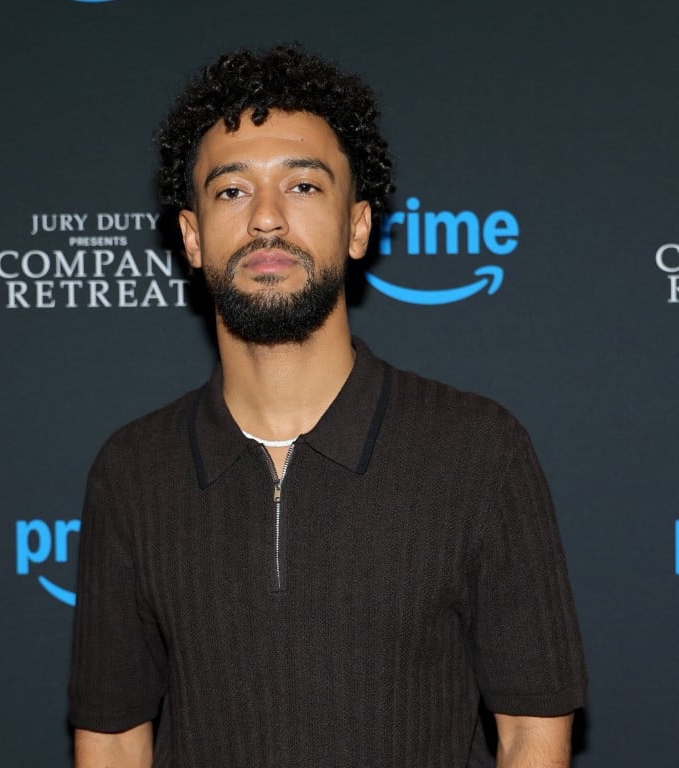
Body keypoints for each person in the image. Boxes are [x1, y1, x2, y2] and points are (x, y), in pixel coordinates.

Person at [68, 44, 586, 767]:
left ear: (358, 225)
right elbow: (114, 737)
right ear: (191, 237)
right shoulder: (132, 472)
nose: (267, 219)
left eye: (304, 186)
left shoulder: (479, 450)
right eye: (231, 191)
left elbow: (533, 731)